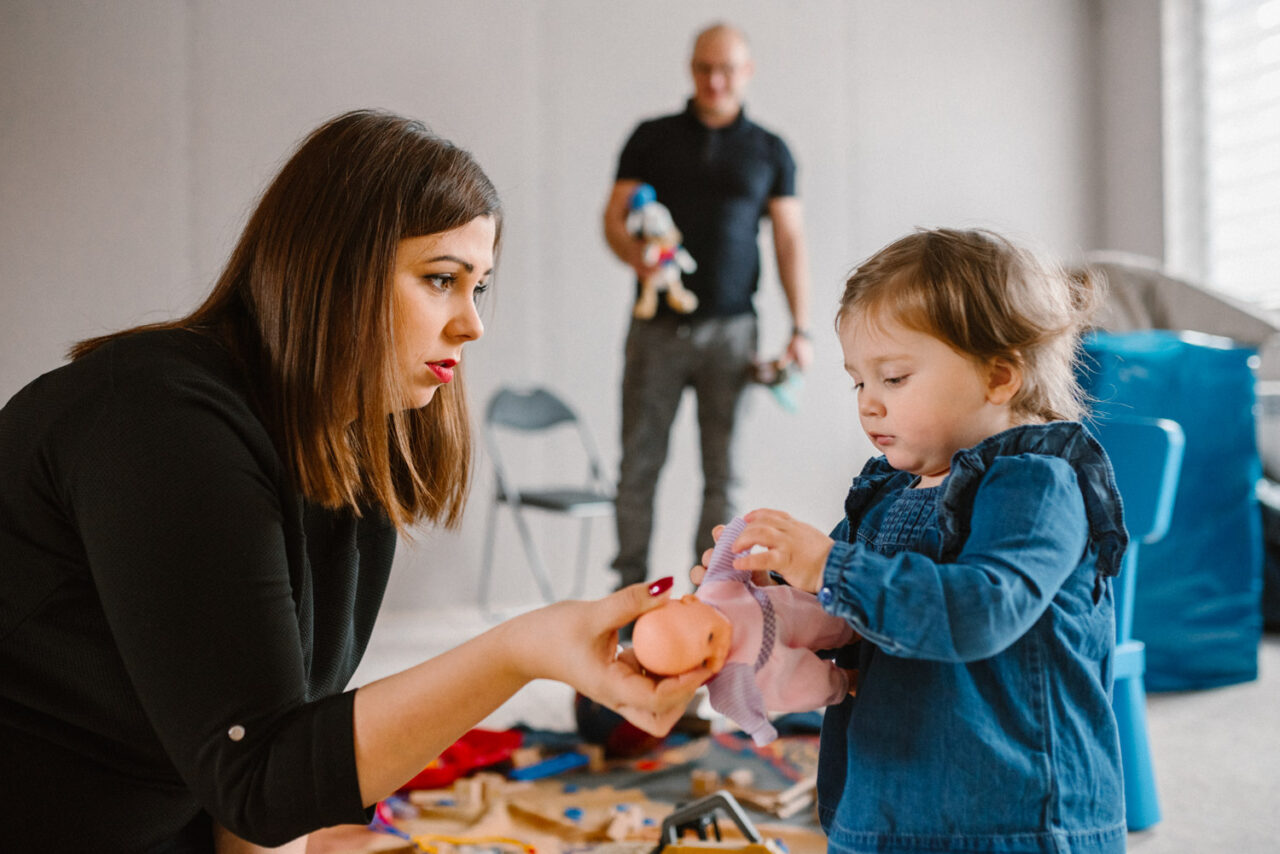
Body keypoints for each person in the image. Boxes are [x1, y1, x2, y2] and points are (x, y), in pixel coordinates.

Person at [0, 109, 711, 853]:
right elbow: (260, 780)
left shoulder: (353, 451)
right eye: (442, 280)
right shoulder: (159, 425)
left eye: (480, 287)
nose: (473, 324)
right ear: (335, 269)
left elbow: (271, 772)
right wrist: (521, 650)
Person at [698, 228, 1130, 853]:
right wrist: (764, 590)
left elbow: (982, 609)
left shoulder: (1037, 482)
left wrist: (826, 565)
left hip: (1011, 819)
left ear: (999, 375)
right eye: (858, 383)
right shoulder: (889, 494)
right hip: (888, 805)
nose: (869, 405)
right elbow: (840, 615)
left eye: (894, 378)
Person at [603, 22, 813, 588]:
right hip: (656, 331)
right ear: (691, 69)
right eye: (704, 68)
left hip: (735, 333)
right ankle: (627, 605)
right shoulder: (650, 137)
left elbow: (790, 241)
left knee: (725, 477)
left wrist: (801, 328)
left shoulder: (771, 150)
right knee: (637, 470)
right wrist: (636, 255)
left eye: (726, 69)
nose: (714, 80)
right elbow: (614, 219)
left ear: (747, 72)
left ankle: (712, 600)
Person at [632, 515, 855, 746]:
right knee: (812, 687)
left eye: (711, 638)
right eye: (704, 664)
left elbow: (728, 553)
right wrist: (759, 729)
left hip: (778, 611)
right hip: (776, 671)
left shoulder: (715, 588)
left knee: (818, 616)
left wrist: (740, 531)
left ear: (689, 601)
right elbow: (736, 707)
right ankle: (845, 681)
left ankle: (849, 627)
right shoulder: (726, 684)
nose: (718, 655)